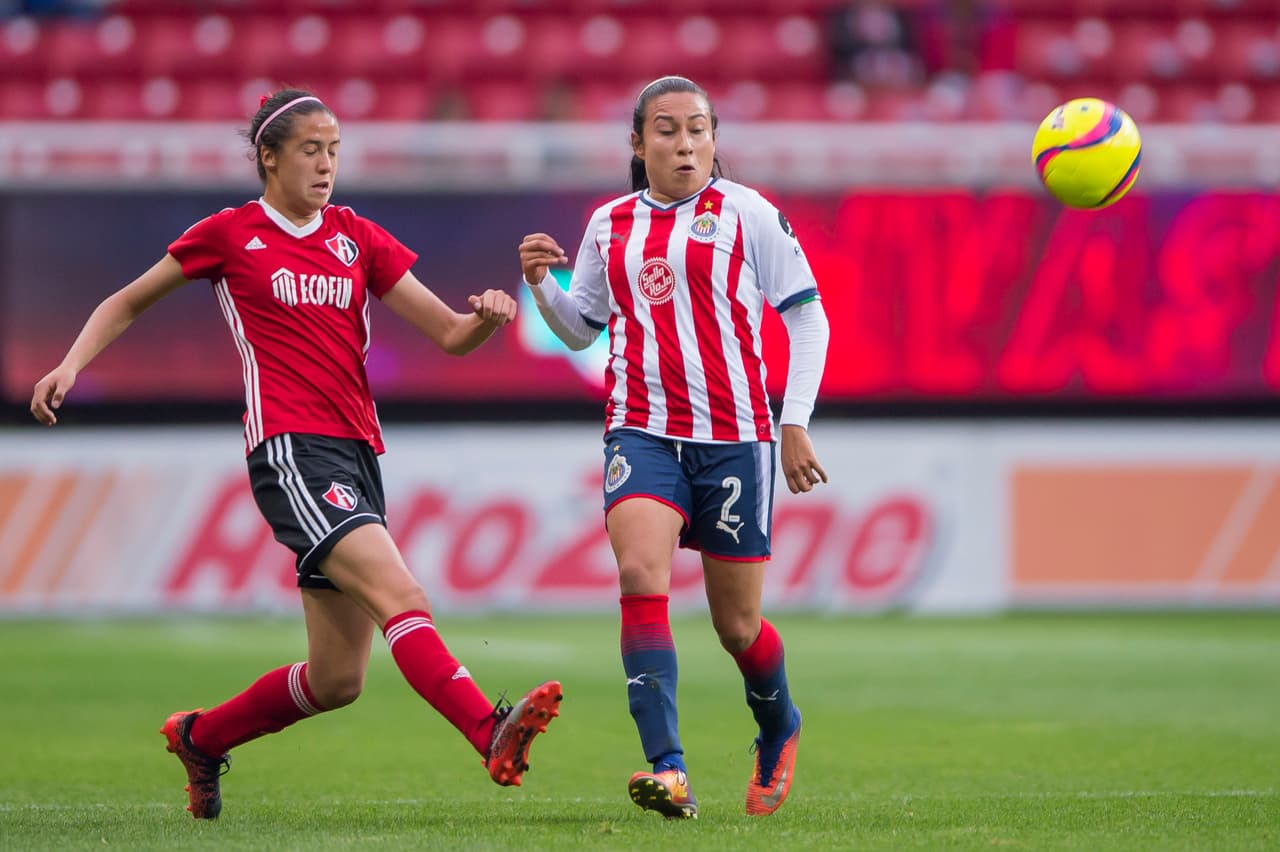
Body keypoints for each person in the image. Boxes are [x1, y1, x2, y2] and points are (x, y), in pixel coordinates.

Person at [30, 89, 562, 820]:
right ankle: (487, 727)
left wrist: (487, 318)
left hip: (356, 452)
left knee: (337, 678)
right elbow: (126, 300)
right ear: (268, 157)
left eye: (335, 150)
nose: (326, 164)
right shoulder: (230, 233)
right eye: (311, 149)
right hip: (289, 448)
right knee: (402, 597)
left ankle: (200, 735)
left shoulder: (356, 236)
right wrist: (71, 364)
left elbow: (447, 332)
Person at [517, 75, 829, 819]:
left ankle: (778, 724)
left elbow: (808, 319)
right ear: (638, 143)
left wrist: (794, 422)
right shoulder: (609, 225)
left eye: (697, 129)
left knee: (738, 627)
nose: (684, 142)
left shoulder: (747, 212)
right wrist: (541, 287)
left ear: (715, 139)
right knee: (637, 572)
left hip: (735, 438)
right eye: (667, 129)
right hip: (641, 429)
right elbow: (582, 327)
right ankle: (670, 769)